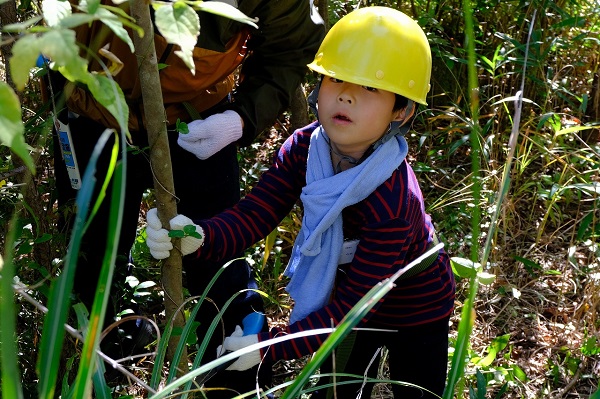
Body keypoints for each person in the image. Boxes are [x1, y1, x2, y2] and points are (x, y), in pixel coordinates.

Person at [145, 6, 456, 399]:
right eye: (336, 79)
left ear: (402, 110)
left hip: (416, 308)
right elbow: (255, 215)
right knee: (337, 392)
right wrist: (200, 235)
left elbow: (350, 312)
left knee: (419, 393)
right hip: (348, 296)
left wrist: (267, 347)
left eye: (371, 88)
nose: (346, 94)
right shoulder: (306, 149)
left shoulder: (393, 200)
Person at [49, 0, 325, 395]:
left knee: (216, 255)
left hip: (199, 119)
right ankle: (91, 367)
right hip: (90, 111)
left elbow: (287, 49)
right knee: (91, 255)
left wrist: (240, 119)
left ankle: (236, 373)